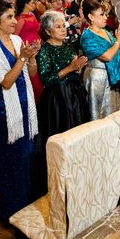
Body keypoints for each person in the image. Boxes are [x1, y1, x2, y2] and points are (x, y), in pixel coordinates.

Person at [0, 0, 40, 224]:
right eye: (9, 17)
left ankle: (26, 203)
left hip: (24, 103)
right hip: (2, 111)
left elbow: (31, 73)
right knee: (8, 160)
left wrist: (31, 57)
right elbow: (5, 82)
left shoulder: (16, 39)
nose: (15, 21)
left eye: (14, 15)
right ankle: (9, 210)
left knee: (26, 156)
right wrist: (22, 58)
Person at [35, 10, 89, 193]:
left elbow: (74, 70)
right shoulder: (44, 50)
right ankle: (61, 177)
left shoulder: (68, 46)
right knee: (62, 135)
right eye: (57, 27)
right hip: (57, 99)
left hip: (74, 93)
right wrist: (70, 68)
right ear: (48, 31)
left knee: (79, 131)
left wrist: (78, 68)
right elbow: (46, 79)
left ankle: (79, 170)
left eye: (63, 25)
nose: (63, 29)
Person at [80, 0, 120, 120]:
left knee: (112, 112)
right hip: (97, 78)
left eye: (105, 14)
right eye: (101, 14)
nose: (105, 17)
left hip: (111, 77)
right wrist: (118, 41)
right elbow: (107, 56)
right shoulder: (87, 36)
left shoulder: (105, 32)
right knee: (97, 113)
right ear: (91, 17)